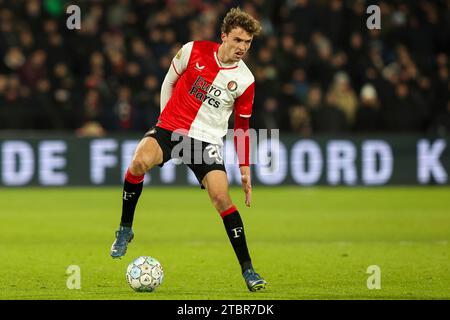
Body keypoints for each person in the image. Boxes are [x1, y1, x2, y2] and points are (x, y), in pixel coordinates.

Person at [110, 7, 267, 292]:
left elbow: (242, 127)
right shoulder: (193, 50)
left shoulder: (246, 81)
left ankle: (249, 270)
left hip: (206, 141)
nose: (242, 47)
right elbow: (168, 81)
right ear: (224, 37)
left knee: (221, 198)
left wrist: (245, 167)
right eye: (237, 40)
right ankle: (125, 228)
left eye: (247, 42)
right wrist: (163, 123)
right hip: (171, 129)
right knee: (137, 163)